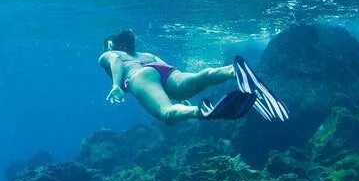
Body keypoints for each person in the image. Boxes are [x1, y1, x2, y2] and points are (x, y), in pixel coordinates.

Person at [98, 29, 288, 125]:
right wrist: (181, 95)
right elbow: (165, 69)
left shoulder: (109, 54)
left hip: (139, 76)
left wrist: (115, 85)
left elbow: (114, 60)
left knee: (167, 114)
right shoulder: (146, 54)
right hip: (161, 68)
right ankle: (232, 70)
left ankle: (200, 111)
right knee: (197, 80)